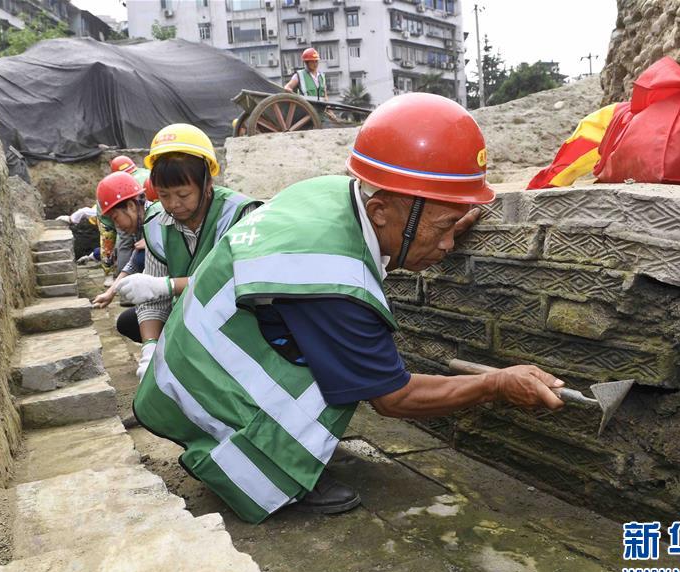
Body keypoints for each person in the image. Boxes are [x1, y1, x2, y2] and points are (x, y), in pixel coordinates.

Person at [132, 93, 566, 525]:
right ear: (380, 210)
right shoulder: (332, 280)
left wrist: (440, 223)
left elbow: (372, 245)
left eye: (453, 226)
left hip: (183, 364)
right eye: (443, 228)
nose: (449, 244)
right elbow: (394, 396)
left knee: (338, 360)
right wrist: (496, 385)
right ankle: (263, 469)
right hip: (196, 392)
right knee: (346, 378)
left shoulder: (331, 194)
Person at [113, 124, 260, 380]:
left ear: (207, 182)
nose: (173, 204)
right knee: (129, 320)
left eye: (183, 194)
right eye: (164, 195)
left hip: (236, 316)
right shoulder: (156, 223)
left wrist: (167, 286)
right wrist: (149, 348)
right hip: (189, 315)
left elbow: (240, 281)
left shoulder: (239, 214)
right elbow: (153, 299)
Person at [90, 171, 148, 342]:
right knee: (125, 321)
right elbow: (134, 263)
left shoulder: (157, 223)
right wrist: (110, 292)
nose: (117, 226)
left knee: (129, 321)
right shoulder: (140, 228)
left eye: (116, 218)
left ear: (131, 206)